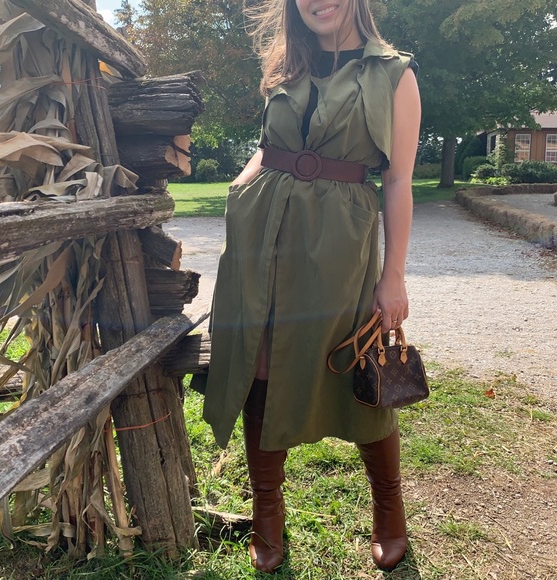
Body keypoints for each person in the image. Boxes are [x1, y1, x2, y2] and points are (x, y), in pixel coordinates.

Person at [200, 0, 421, 573]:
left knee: (356, 363)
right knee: (260, 364)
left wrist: (393, 276)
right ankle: (267, 516)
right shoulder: (285, 66)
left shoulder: (394, 73)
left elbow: (398, 180)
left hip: (338, 247)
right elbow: (268, 144)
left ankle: (389, 509)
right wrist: (241, 186)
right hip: (261, 239)